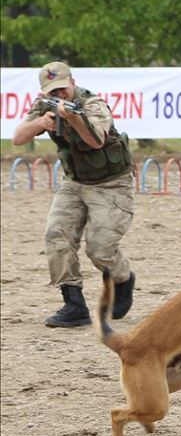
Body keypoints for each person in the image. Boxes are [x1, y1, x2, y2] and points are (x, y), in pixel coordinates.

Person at [12, 61, 136, 328]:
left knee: (100, 249)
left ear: (72, 82)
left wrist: (73, 118)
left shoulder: (92, 105)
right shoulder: (43, 104)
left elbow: (96, 141)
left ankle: (123, 277)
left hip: (111, 184)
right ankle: (74, 304)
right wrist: (41, 122)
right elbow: (18, 138)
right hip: (74, 182)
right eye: (52, 91)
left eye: (62, 89)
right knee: (56, 235)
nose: (59, 95)